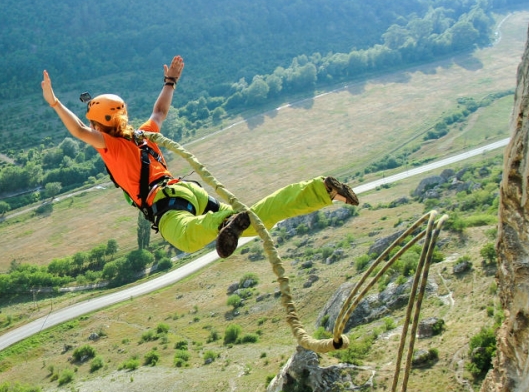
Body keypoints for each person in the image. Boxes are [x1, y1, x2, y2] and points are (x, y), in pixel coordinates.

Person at [40, 56, 359, 258]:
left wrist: (55, 104)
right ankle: (321, 190)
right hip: (187, 190)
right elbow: (160, 110)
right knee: (256, 220)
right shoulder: (144, 135)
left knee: (188, 239)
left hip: (165, 203)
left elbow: (80, 130)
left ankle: (225, 222)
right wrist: (170, 81)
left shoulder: (111, 146)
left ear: (100, 126)